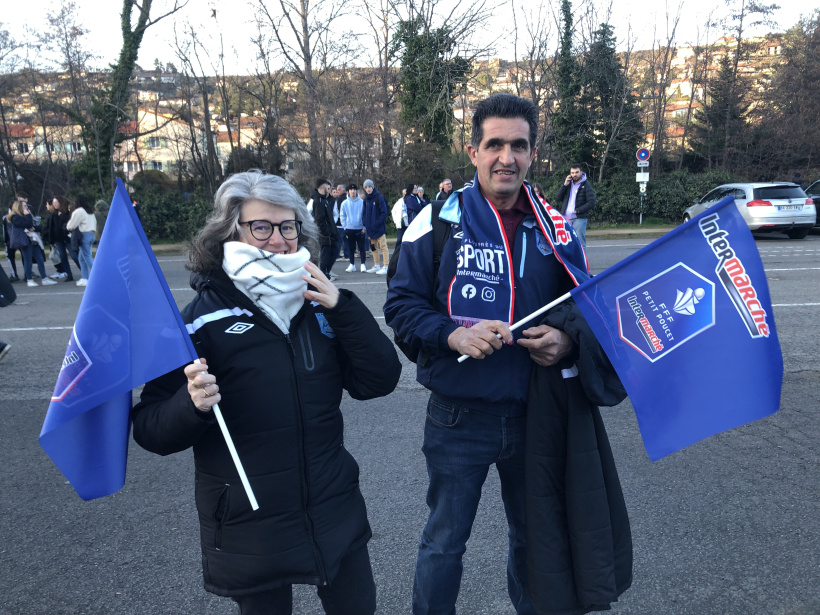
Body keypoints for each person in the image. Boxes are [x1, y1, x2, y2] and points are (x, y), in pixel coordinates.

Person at [385, 93, 631, 615]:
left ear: (532, 154)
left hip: (535, 413)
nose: (506, 157)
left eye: (518, 146)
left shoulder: (555, 228)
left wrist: (566, 341)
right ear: (472, 150)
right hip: (459, 414)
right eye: (494, 144)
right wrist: (450, 335)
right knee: (444, 543)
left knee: (535, 540)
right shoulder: (437, 221)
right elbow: (401, 305)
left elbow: (586, 309)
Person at [131, 170, 401, 615]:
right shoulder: (198, 321)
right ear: (229, 231)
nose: (278, 241)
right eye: (261, 227)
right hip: (247, 518)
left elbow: (380, 381)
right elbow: (150, 429)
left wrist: (344, 308)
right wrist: (191, 405)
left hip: (332, 504)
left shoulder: (323, 304)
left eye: (288, 225)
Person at [5, 200, 57, 288]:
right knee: (28, 260)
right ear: (18, 207)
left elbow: (36, 226)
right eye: (24, 206)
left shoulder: (26, 216)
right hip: (25, 241)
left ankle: (44, 278)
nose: (26, 207)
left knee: (40, 259)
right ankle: (29, 279)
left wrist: (32, 226)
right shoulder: (15, 217)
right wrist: (28, 216)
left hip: (32, 240)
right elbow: (28, 224)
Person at [555, 163, 596, 247]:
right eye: (572, 173)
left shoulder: (586, 185)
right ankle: (568, 260)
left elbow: (591, 202)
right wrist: (565, 184)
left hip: (579, 218)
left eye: (577, 172)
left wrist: (578, 210)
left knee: (580, 243)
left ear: (581, 172)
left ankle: (581, 260)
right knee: (566, 243)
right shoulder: (568, 184)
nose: (574, 175)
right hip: (566, 218)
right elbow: (558, 198)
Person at [308, 178, 339, 280]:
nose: (329, 188)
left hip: (331, 234)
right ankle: (323, 276)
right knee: (325, 257)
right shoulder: (318, 200)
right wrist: (326, 231)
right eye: (327, 186)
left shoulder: (324, 199)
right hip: (325, 235)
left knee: (334, 253)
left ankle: (326, 274)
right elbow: (319, 219)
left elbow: (330, 217)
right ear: (324, 186)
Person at [66, 194, 97, 287]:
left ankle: (96, 277)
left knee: (87, 258)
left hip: (84, 235)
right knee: (82, 258)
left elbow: (70, 225)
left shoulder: (79, 211)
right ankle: (85, 278)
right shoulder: (90, 211)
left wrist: (68, 227)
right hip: (92, 234)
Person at [362, 179, 389, 274]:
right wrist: (365, 223)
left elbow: (384, 212)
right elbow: (364, 214)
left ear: (372, 187)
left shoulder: (379, 197)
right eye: (366, 187)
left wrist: (377, 223)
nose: (368, 189)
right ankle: (376, 265)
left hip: (379, 228)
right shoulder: (366, 200)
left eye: (369, 187)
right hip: (370, 230)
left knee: (383, 247)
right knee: (373, 247)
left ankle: (386, 266)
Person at [45, 196, 75, 282]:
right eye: (53, 203)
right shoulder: (53, 214)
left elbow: (69, 223)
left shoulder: (67, 212)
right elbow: (51, 227)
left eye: (56, 203)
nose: (54, 205)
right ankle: (69, 274)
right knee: (62, 256)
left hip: (67, 237)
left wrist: (62, 215)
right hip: (58, 239)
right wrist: (51, 240)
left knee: (74, 255)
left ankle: (84, 271)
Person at [340, 184, 367, 273]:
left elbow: (365, 215)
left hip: (360, 229)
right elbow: (342, 216)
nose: (353, 191)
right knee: (351, 248)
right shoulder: (345, 203)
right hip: (349, 229)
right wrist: (345, 227)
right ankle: (352, 264)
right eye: (351, 190)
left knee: (362, 248)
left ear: (356, 191)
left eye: (354, 189)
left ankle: (363, 264)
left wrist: (364, 227)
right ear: (348, 192)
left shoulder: (362, 202)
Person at [334, 184, 349, 262]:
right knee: (345, 240)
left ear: (343, 190)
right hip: (346, 223)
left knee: (339, 240)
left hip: (340, 223)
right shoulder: (347, 198)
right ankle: (347, 255)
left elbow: (338, 211)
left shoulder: (340, 199)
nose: (337, 191)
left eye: (339, 189)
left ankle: (337, 255)